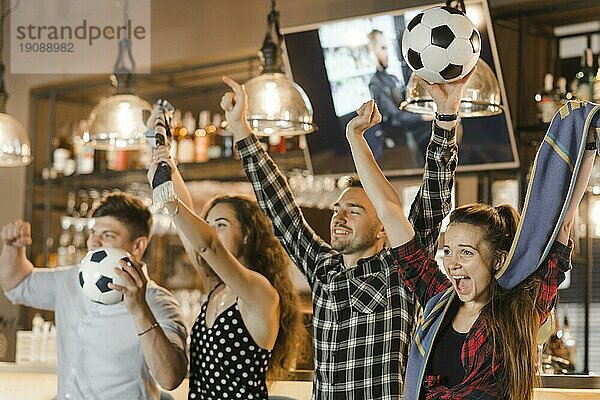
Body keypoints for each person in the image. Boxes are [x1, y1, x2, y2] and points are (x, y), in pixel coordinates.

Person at [218, 70, 472, 399]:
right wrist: (240, 128)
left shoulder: (401, 268)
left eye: (354, 210)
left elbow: (434, 196)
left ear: (383, 226)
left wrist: (447, 117)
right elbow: (280, 206)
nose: (339, 216)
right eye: (338, 208)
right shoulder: (323, 268)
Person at [345, 84, 598, 398]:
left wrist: (587, 144)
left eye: (466, 253)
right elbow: (389, 209)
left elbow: (563, 221)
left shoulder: (519, 309)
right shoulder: (440, 300)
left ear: (498, 260)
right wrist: (356, 139)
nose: (452, 263)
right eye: (448, 250)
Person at [147, 147, 305, 400]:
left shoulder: (260, 292)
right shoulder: (217, 286)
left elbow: (207, 244)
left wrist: (168, 198)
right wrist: (167, 163)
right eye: (208, 224)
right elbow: (193, 229)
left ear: (247, 235)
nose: (211, 231)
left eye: (221, 225)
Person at [0, 193, 188, 400]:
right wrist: (13, 248)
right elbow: (17, 284)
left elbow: (170, 378)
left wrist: (139, 309)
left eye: (107, 235)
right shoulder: (71, 279)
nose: (93, 243)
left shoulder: (159, 302)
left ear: (138, 246)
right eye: (93, 233)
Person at [367, 29, 429, 163]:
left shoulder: (392, 78)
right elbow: (395, 117)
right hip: (401, 145)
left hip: (412, 135)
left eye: (387, 47)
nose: (387, 53)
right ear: (372, 51)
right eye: (383, 48)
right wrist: (425, 116)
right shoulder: (375, 84)